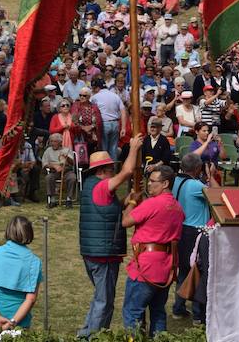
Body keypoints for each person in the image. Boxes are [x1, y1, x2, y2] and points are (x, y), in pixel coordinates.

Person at [77, 137, 142, 338]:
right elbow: (128, 171)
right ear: (104, 170)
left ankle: (89, 333)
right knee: (104, 300)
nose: (114, 171)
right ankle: (92, 337)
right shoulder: (102, 186)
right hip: (102, 252)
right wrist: (133, 148)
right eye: (112, 168)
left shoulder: (91, 186)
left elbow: (109, 210)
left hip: (94, 250)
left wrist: (128, 201)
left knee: (102, 298)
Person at [121, 165, 184, 335]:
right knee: (158, 311)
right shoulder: (178, 207)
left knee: (132, 312)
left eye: (152, 182)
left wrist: (132, 202)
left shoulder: (153, 203)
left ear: (165, 184)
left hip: (147, 265)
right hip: (166, 265)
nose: (149, 185)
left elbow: (126, 221)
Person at [0, 216, 43, 338]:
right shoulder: (35, 262)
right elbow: (31, 299)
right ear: (29, 233)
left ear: (8, 231)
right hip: (19, 322)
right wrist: (13, 322)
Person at [170, 153, 216, 323]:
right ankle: (198, 313)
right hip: (195, 231)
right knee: (199, 270)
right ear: (197, 168)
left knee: (183, 270)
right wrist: (210, 176)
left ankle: (179, 307)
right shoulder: (196, 185)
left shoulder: (176, 181)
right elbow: (217, 195)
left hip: (181, 228)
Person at [89, 77, 126, 160]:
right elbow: (123, 111)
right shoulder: (115, 96)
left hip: (104, 124)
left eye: (94, 88)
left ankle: (105, 171)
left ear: (97, 87)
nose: (93, 90)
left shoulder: (95, 97)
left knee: (104, 150)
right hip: (115, 124)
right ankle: (113, 171)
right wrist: (123, 127)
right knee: (113, 150)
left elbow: (91, 111)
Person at [41, 133, 76, 208]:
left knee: (72, 178)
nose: (53, 143)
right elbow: (44, 164)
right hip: (54, 171)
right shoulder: (48, 151)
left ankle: (69, 199)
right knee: (49, 178)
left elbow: (72, 163)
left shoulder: (66, 150)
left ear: (60, 142)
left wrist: (68, 158)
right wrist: (54, 166)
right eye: (51, 141)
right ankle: (52, 200)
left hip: (67, 170)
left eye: (55, 141)